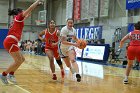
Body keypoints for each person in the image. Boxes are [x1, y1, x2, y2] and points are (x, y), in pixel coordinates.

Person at [0, 0, 43, 84]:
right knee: (17, 61)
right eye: (23, 11)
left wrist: (36, 6)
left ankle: (11, 74)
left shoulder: (17, 19)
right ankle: (4, 74)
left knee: (22, 59)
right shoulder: (19, 17)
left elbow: (29, 12)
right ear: (20, 12)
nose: (25, 12)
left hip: (11, 41)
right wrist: (37, 1)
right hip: (11, 41)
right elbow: (30, 9)